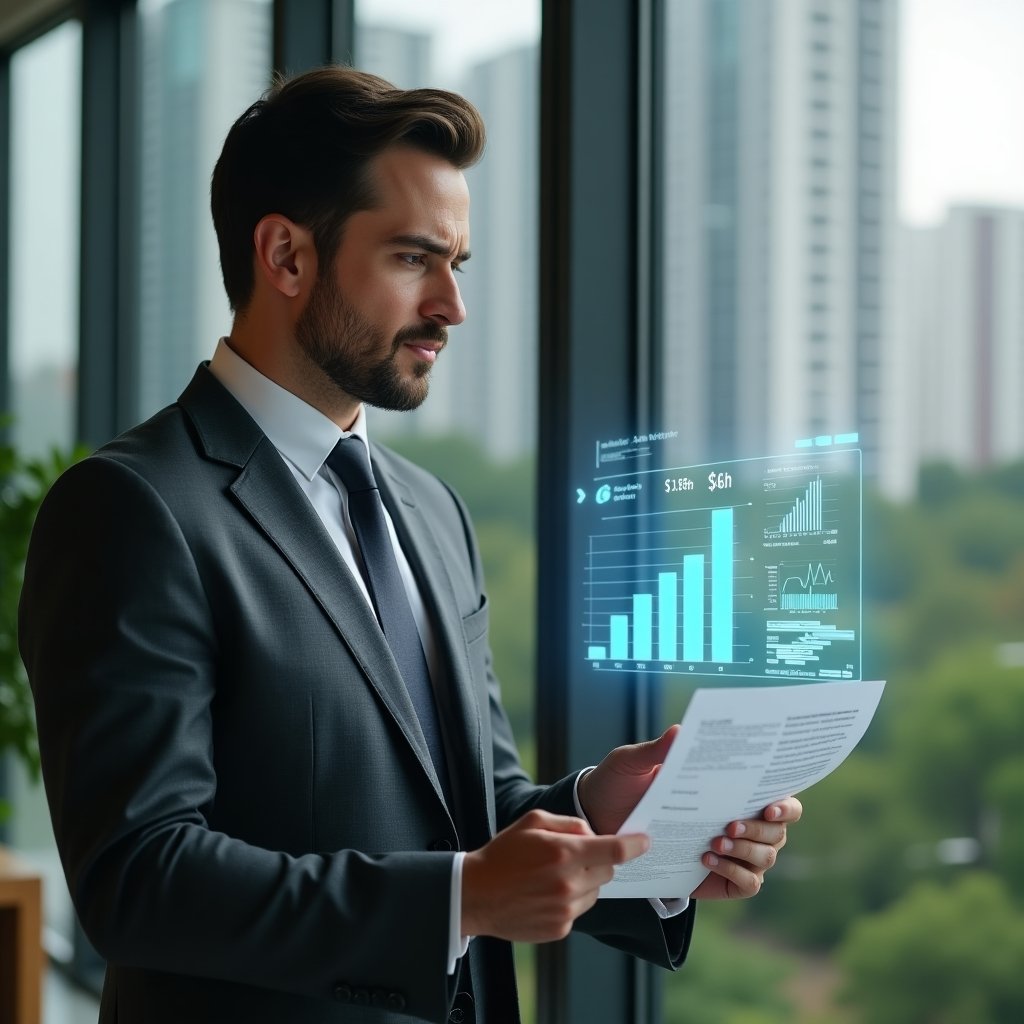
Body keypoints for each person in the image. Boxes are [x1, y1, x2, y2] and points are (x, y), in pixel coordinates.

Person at [18, 66, 801, 1024]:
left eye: (456, 265)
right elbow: (137, 878)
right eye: (411, 259)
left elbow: (468, 806)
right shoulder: (132, 508)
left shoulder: (431, 511)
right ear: (286, 256)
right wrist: (461, 900)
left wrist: (611, 817)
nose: (451, 306)